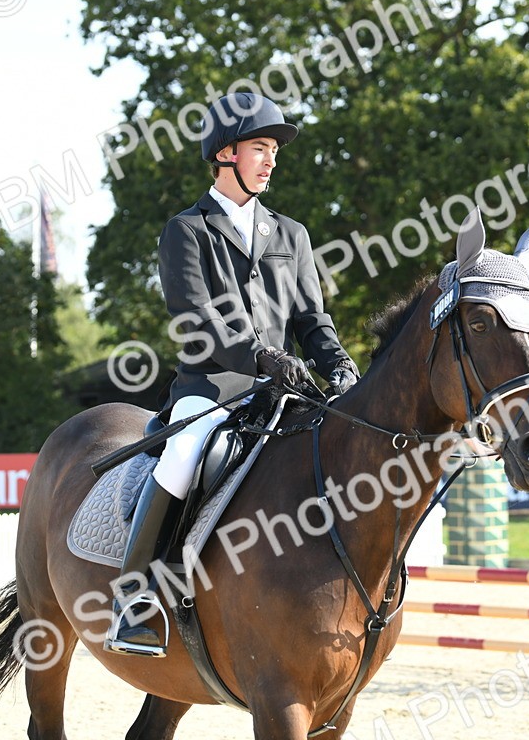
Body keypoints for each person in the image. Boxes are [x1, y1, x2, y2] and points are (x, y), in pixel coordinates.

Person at [104, 93, 360, 657]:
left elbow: (312, 321)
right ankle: (135, 601)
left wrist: (340, 366)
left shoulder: (291, 234)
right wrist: (260, 356)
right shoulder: (187, 230)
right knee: (185, 453)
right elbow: (197, 319)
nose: (271, 160)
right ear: (225, 153)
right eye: (260, 148)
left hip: (284, 393)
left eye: (273, 150)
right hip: (212, 390)